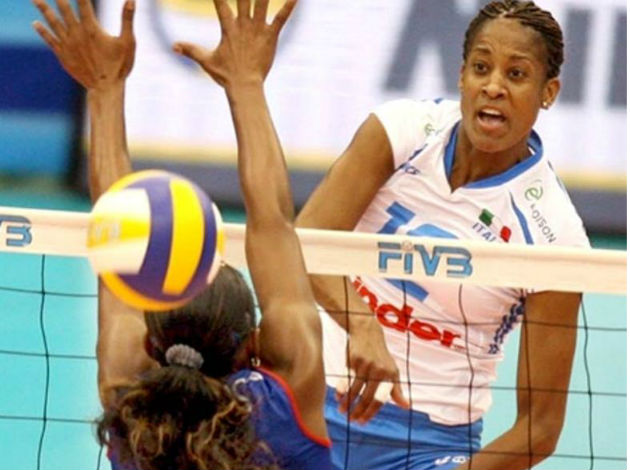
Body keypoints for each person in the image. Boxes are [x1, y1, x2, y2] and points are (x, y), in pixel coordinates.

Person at [32, 0, 334, 468]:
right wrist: (246, 84)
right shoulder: (287, 398)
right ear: (253, 346)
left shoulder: (129, 405)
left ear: (149, 344)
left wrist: (105, 88)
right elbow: (273, 222)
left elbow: (119, 229)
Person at [295, 1, 589, 469]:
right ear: (461, 76)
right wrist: (362, 323)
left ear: (547, 93)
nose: (493, 86)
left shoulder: (555, 236)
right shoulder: (403, 132)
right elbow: (306, 243)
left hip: (424, 447)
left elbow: (540, 429)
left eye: (516, 75)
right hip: (306, 404)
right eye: (481, 68)